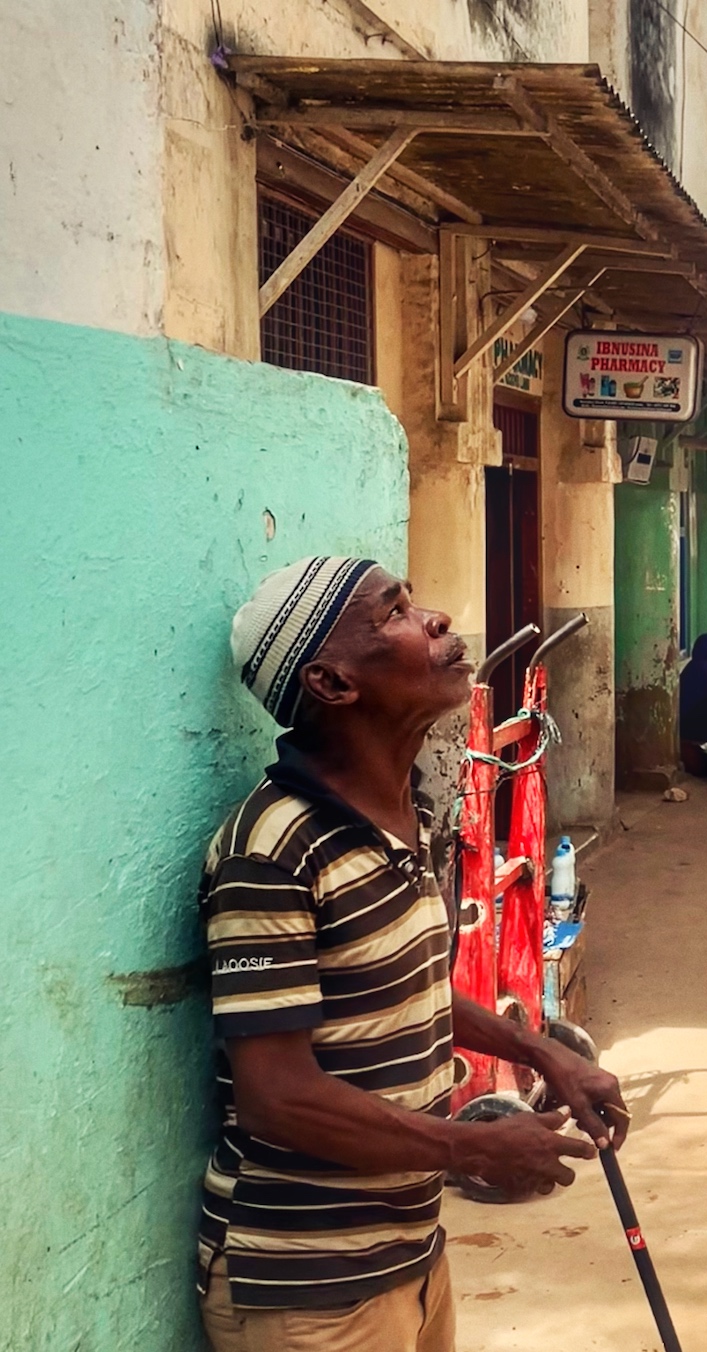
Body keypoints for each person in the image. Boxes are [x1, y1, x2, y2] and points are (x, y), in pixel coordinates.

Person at [197, 556, 629, 1352]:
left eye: (417, 598)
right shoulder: (273, 851)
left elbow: (408, 989)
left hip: (409, 1252)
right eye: (395, 613)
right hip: (313, 1284)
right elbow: (276, 1096)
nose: (435, 620)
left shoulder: (404, 816)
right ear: (332, 684)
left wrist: (540, 1050)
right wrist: (471, 1147)